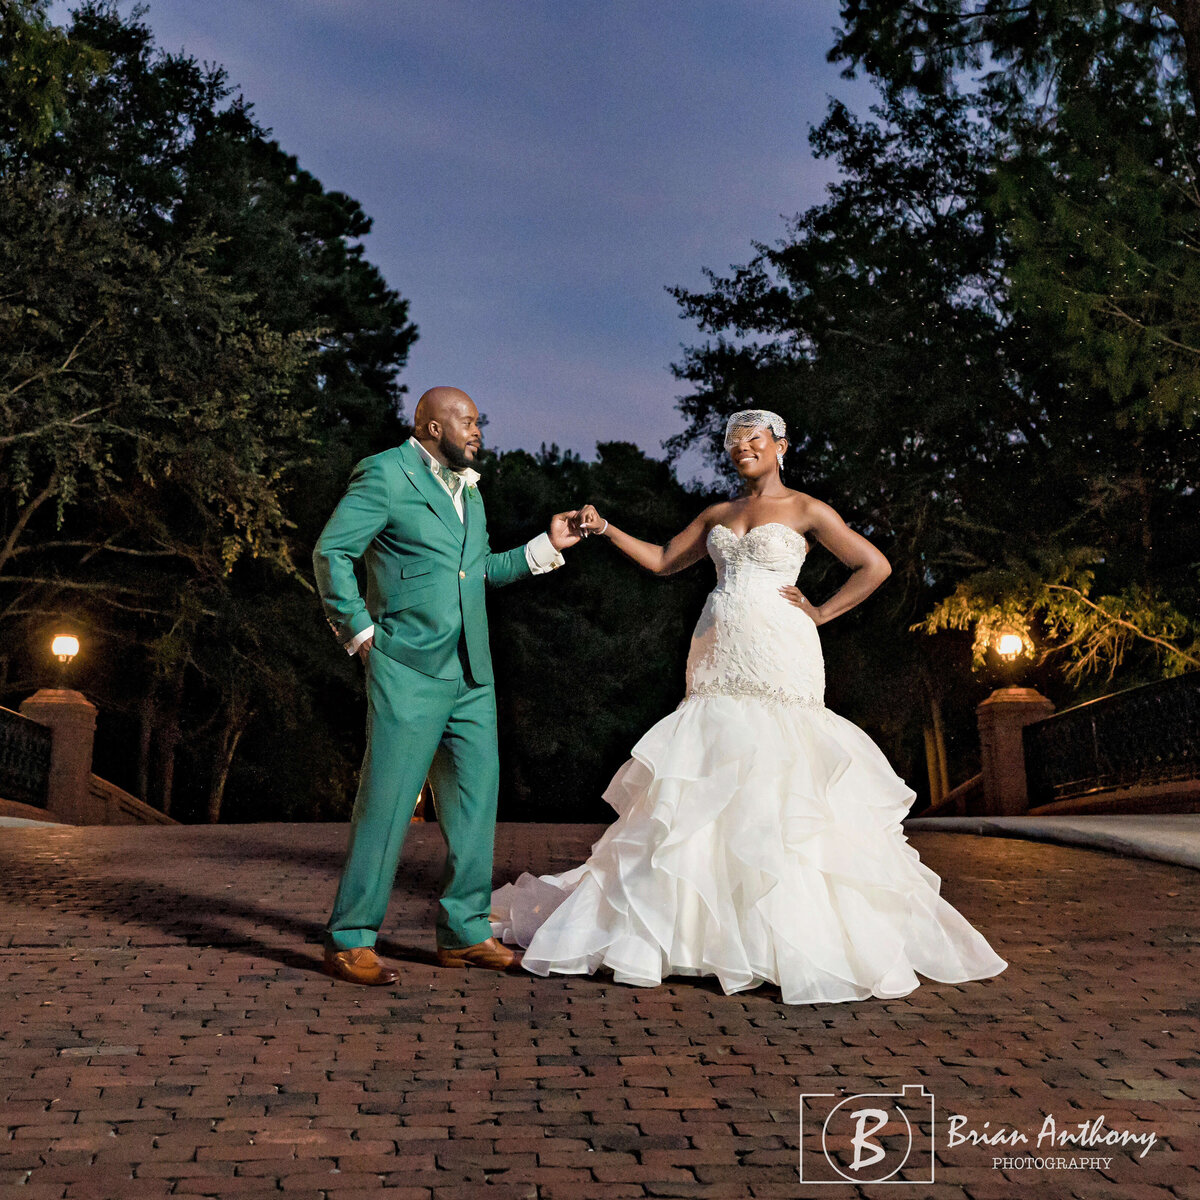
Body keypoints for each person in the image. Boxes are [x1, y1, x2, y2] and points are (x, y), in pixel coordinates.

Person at [490, 409, 1007, 1004]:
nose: (741, 451)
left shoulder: (808, 509)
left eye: (753, 442)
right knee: (708, 767)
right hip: (716, 649)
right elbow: (662, 560)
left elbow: (875, 566)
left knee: (780, 765)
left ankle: (783, 933)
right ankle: (694, 932)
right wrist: (605, 530)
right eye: (733, 444)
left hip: (780, 650)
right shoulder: (718, 514)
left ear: (781, 446)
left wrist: (821, 612)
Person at [313, 386, 581, 986]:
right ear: (432, 428)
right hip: (405, 667)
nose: (476, 429)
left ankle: (463, 933)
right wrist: (360, 635)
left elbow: (477, 573)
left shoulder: (471, 490)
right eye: (465, 420)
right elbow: (331, 552)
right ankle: (350, 938)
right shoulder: (385, 474)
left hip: (471, 675)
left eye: (478, 421)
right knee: (385, 802)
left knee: (473, 805)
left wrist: (547, 546)